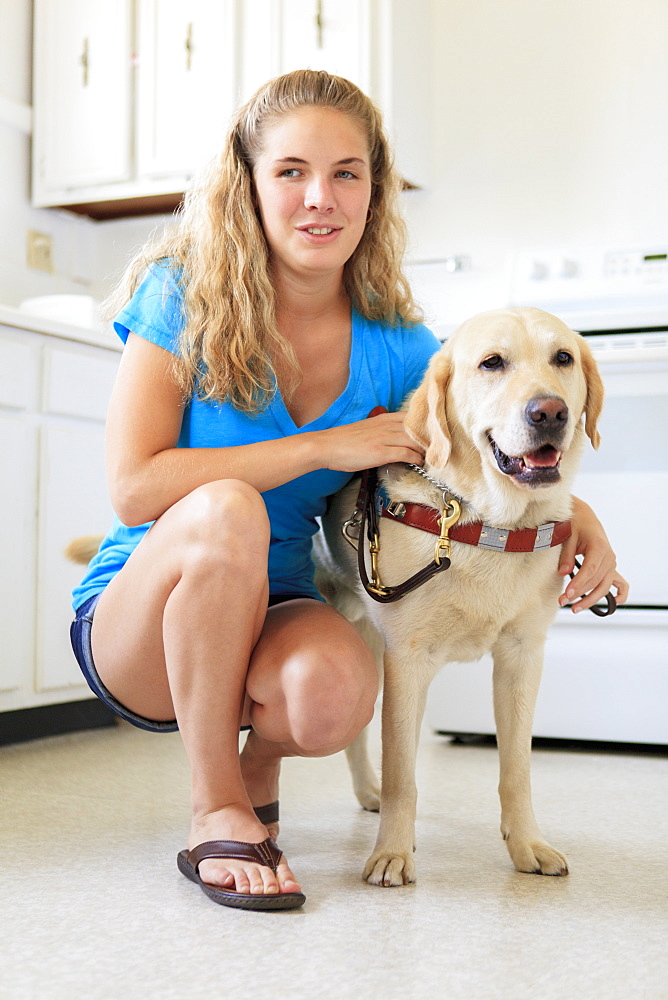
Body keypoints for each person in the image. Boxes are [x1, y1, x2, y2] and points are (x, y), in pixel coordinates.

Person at [70, 69, 628, 912]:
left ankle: (257, 773)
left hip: (278, 602)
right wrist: (323, 446)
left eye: (346, 173)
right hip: (142, 624)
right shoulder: (182, 295)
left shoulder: (402, 346)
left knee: (340, 692)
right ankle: (214, 802)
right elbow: (133, 487)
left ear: (374, 190)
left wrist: (575, 514)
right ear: (249, 182)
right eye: (290, 170)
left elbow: (485, 438)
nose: (319, 197)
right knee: (228, 509)